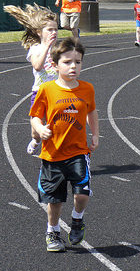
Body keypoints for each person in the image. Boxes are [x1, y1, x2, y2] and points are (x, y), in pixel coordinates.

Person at [29, 37, 99, 252]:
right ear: (56, 64)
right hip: (52, 155)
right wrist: (40, 130)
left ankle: (77, 220)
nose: (73, 67)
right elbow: (35, 116)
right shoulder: (47, 90)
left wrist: (95, 134)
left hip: (78, 152)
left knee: (81, 194)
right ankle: (53, 231)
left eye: (78, 62)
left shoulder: (87, 89)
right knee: (55, 201)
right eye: (67, 62)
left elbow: (91, 111)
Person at [3, 4, 59, 155]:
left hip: (56, 93)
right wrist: (47, 47)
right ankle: (35, 140)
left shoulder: (58, 49)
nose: (54, 32)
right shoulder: (35, 48)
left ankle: (54, 154)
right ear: (38, 32)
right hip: (39, 93)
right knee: (37, 131)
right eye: (50, 29)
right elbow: (37, 66)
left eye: (56, 29)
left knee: (56, 125)